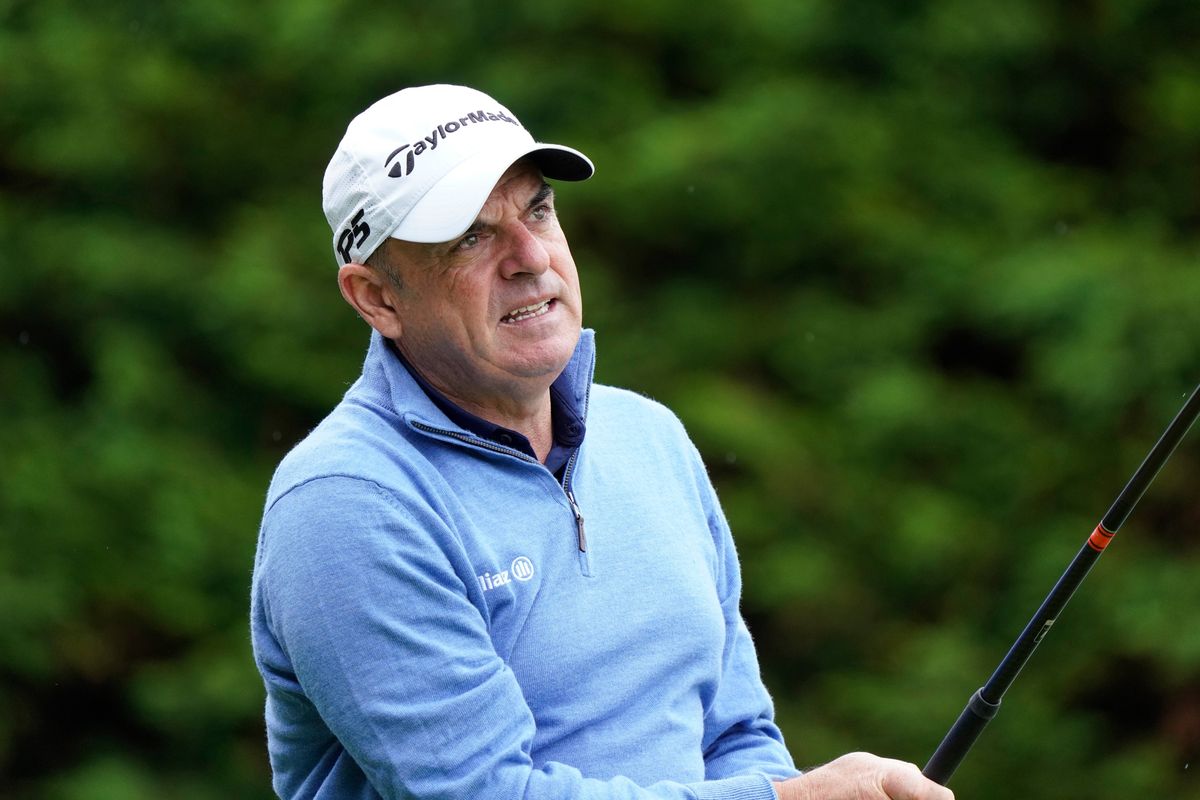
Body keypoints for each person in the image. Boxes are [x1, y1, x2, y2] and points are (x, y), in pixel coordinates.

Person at [249, 83, 953, 800]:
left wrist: (780, 792)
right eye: (470, 236)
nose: (530, 256)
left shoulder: (650, 438)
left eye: (539, 210)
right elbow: (485, 793)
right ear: (377, 297)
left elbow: (735, 735)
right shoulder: (346, 505)